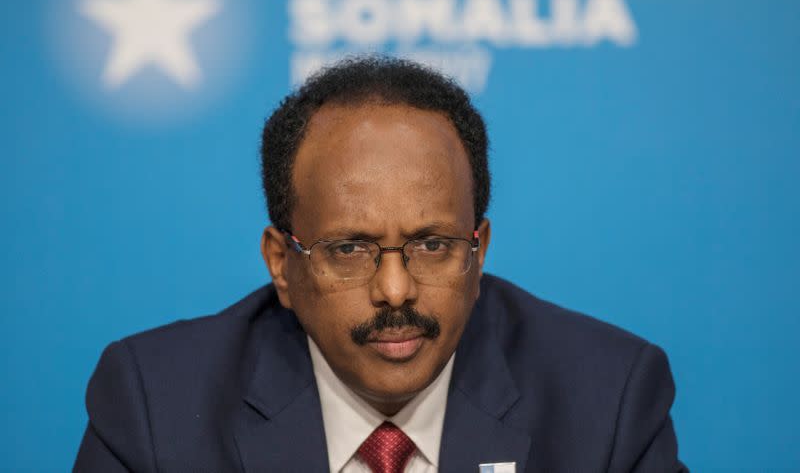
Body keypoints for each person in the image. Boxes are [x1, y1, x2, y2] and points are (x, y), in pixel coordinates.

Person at [73, 56, 687, 472]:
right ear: (282, 265)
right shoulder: (153, 408)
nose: (396, 291)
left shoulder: (609, 403)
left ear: (480, 252)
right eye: (349, 250)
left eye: (432, 245)